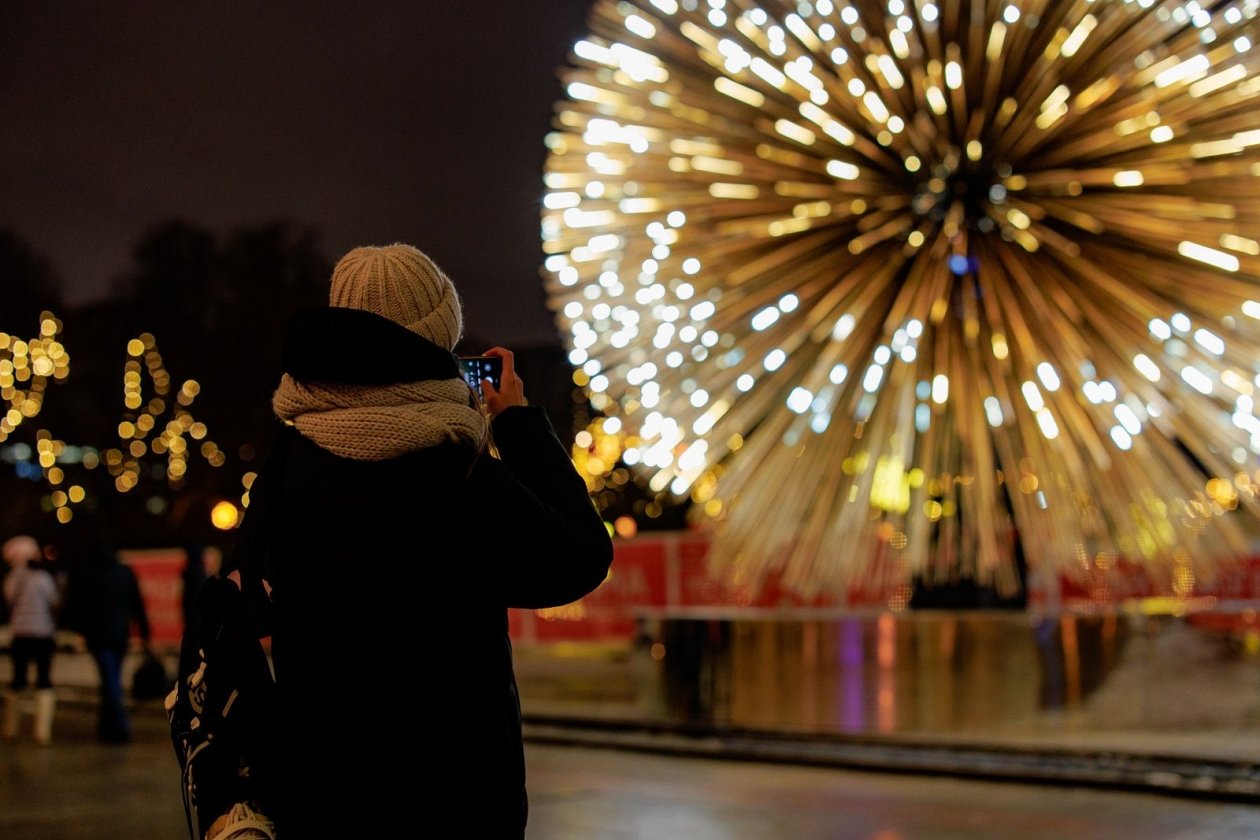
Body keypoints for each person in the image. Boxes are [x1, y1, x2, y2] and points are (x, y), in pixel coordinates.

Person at [240, 243, 613, 838]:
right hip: (455, 795)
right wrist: (515, 422)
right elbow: (578, 559)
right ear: (437, 340)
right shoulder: (455, 470)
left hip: (324, 788)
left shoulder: (289, 461)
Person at [62, 512, 152, 743]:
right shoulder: (123, 572)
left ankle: (118, 726)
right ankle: (109, 726)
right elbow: (137, 604)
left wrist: (78, 629)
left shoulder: (88, 573)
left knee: (109, 679)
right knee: (111, 678)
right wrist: (144, 633)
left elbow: (77, 605)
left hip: (98, 635)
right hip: (119, 634)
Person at [2, 534, 61, 744]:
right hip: (43, 633)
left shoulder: (10, 580)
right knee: (43, 680)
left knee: (17, 680)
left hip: (20, 634)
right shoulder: (42, 578)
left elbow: (9, 603)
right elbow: (54, 602)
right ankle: (42, 731)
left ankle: (11, 728)